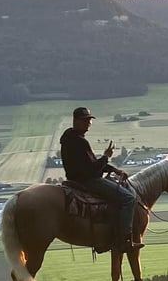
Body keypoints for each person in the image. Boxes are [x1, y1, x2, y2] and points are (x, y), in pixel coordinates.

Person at [60, 106, 144, 253]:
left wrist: (114, 170)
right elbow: (91, 169)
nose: (88, 124)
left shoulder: (69, 138)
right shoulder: (80, 142)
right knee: (129, 198)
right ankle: (124, 240)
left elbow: (90, 164)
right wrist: (106, 156)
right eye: (85, 121)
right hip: (87, 181)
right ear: (76, 121)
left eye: (89, 121)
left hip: (77, 179)